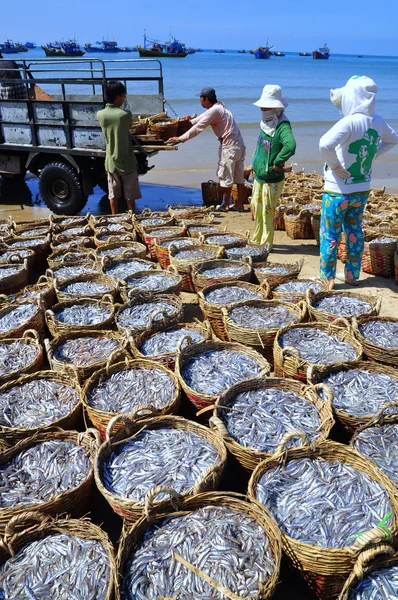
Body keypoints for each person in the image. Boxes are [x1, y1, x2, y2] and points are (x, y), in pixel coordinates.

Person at [319, 75, 398, 287]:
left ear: (351, 96)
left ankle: (327, 279)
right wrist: (374, 154)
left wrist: (335, 166)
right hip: (361, 190)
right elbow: (393, 139)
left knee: (330, 235)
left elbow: (325, 144)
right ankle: (352, 276)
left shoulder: (350, 121)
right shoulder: (378, 122)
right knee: (354, 231)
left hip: (337, 191)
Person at [167, 87, 246, 211]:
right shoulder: (220, 106)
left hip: (229, 146)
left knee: (225, 177)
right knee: (239, 178)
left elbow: (198, 128)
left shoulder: (215, 110)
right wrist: (190, 121)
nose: (200, 101)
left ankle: (225, 205)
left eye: (201, 99)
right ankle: (239, 205)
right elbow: (200, 119)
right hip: (239, 145)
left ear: (206, 99)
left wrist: (181, 138)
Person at [251, 85, 296, 247]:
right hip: (259, 176)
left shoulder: (282, 126)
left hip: (272, 179)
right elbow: (260, 147)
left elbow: (290, 146)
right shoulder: (266, 123)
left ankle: (265, 243)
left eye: (266, 107)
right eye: (262, 107)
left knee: (267, 211)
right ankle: (256, 238)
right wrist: (254, 164)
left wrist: (278, 162)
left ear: (276, 108)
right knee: (256, 209)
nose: (263, 110)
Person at [97, 81, 141, 214]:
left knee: (113, 193)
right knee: (130, 193)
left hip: (111, 160)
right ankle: (131, 216)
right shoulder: (125, 115)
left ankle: (114, 216)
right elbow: (128, 126)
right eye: (123, 95)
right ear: (117, 97)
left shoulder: (101, 114)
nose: (124, 98)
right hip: (126, 159)